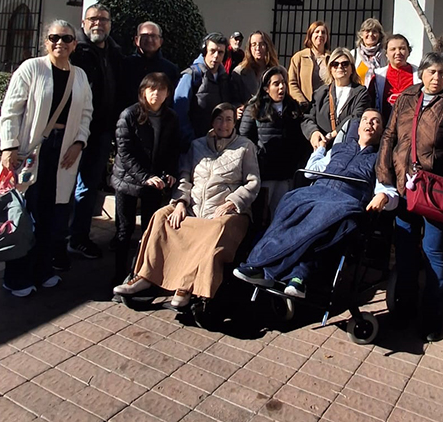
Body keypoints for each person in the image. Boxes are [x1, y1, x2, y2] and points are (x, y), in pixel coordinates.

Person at [113, 103, 259, 321]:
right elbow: (184, 177)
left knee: (215, 228)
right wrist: (180, 201)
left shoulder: (245, 147)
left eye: (229, 119)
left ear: (235, 122)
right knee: (162, 216)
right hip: (195, 207)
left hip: (226, 212)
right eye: (219, 119)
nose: (224, 124)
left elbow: (252, 182)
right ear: (212, 122)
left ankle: (187, 285)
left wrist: (231, 202)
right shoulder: (197, 145)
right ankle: (146, 276)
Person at [234, 109, 394, 298]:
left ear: (382, 130)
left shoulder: (381, 159)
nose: (369, 124)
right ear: (357, 128)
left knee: (324, 218)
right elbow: (311, 172)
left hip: (346, 200)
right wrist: (319, 151)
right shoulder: (339, 148)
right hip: (318, 191)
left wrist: (383, 195)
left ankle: (265, 268)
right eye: (365, 120)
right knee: (290, 201)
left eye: (376, 122)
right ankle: (292, 275)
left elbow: (390, 192)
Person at [376, 51, 443, 341]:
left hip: (435, 190)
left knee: (435, 254)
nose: (437, 78)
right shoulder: (407, 97)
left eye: (442, 73)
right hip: (404, 186)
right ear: (422, 73)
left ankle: (432, 318)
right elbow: (389, 137)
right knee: (406, 252)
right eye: (432, 72)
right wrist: (385, 177)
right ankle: (403, 310)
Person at [0, 20, 93, 297]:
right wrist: (9, 147)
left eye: (66, 38)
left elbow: (86, 113)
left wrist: (79, 142)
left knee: (53, 216)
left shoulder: (80, 76)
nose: (60, 43)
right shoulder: (32, 68)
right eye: (54, 37)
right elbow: (12, 110)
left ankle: (43, 270)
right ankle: (16, 277)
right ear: (46, 41)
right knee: (25, 215)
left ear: (75, 44)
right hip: (31, 153)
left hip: (64, 153)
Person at [64, 4, 123, 262]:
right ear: (84, 22)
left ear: (110, 24)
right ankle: (55, 239)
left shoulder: (115, 52)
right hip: (72, 130)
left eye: (103, 19)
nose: (98, 23)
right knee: (63, 186)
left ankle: (77, 238)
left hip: (101, 132)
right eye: (93, 19)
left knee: (87, 187)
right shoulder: (74, 50)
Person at [110, 72, 180, 283]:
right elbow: (124, 152)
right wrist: (145, 176)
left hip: (154, 182)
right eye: (152, 89)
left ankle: (143, 273)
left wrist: (169, 173)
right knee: (125, 229)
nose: (156, 94)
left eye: (161, 89)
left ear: (168, 93)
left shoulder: (171, 117)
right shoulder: (129, 115)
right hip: (128, 180)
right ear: (143, 92)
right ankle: (119, 275)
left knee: (151, 229)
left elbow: (172, 150)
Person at [239, 66, 310, 218]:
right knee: (261, 217)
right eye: (276, 84)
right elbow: (245, 138)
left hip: (286, 174)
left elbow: (300, 140)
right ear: (266, 88)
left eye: (283, 83)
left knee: (280, 215)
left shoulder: (293, 108)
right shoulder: (254, 108)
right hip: (264, 174)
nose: (281, 87)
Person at [174, 32, 241, 150]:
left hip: (219, 145)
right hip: (194, 145)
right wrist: (191, 140)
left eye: (220, 52)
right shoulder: (191, 76)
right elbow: (179, 110)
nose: (216, 56)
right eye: (212, 51)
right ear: (205, 51)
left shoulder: (224, 78)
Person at [302, 48, 371, 149]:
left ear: (352, 68)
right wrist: (313, 133)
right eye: (335, 64)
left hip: (347, 147)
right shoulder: (321, 93)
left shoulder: (361, 92)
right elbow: (308, 117)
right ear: (330, 69)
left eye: (345, 64)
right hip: (321, 148)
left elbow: (357, 116)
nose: (340, 67)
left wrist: (333, 134)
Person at [120, 21, 180, 108]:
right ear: (136, 40)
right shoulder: (124, 65)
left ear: (160, 41)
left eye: (153, 36)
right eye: (144, 36)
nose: (149, 40)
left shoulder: (170, 69)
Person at [368, 34, 419, 124]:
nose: (398, 52)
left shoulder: (419, 75)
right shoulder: (378, 77)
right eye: (393, 49)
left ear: (409, 51)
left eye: (402, 48)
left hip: (410, 127)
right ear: (386, 53)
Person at [288, 21, 330, 109]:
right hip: (304, 107)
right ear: (310, 35)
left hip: (325, 107)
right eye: (317, 32)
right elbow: (291, 82)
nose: (320, 35)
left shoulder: (332, 59)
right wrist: (302, 102)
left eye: (323, 32)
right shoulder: (299, 57)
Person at [232, 30, 281, 99]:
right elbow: (233, 99)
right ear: (249, 48)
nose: (257, 48)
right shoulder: (239, 72)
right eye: (254, 45)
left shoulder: (279, 72)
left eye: (262, 44)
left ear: (268, 47)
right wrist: (239, 107)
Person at [353, 18, 387, 88]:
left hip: (380, 97)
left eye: (375, 31)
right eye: (367, 31)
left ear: (380, 35)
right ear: (361, 35)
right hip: (359, 97)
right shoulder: (353, 54)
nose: (371, 34)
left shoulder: (386, 55)